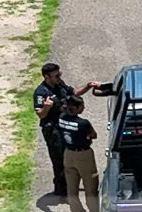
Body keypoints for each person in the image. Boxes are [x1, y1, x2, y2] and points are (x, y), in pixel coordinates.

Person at [33, 63, 99, 198]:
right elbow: (40, 114)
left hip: (64, 126)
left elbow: (73, 93)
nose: (59, 77)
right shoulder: (41, 93)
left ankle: (70, 185)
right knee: (58, 158)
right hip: (53, 130)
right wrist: (46, 107)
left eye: (59, 74)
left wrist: (88, 86)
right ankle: (61, 188)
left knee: (69, 155)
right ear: (47, 77)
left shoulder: (59, 85)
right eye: (56, 75)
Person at [51, 96, 102, 212]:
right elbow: (93, 135)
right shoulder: (83, 123)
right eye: (81, 106)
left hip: (68, 154)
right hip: (83, 155)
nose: (83, 107)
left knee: (72, 186)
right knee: (90, 184)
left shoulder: (62, 118)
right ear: (75, 107)